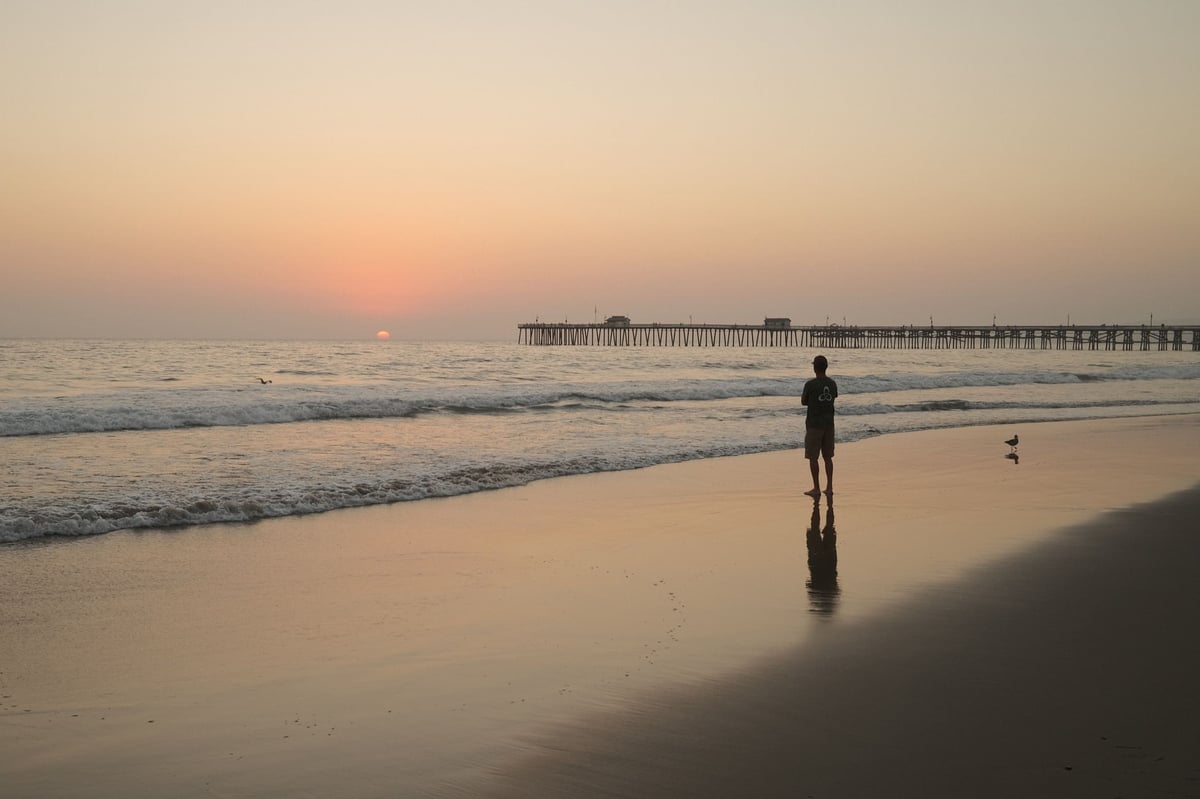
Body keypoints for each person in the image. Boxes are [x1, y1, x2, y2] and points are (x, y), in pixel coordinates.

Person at [801, 354, 837, 497]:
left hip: (814, 425)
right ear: (826, 367)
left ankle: (816, 487)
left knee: (813, 457)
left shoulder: (810, 385)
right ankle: (829, 487)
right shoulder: (832, 383)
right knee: (828, 457)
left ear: (815, 368)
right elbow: (832, 397)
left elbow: (804, 401)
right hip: (829, 424)